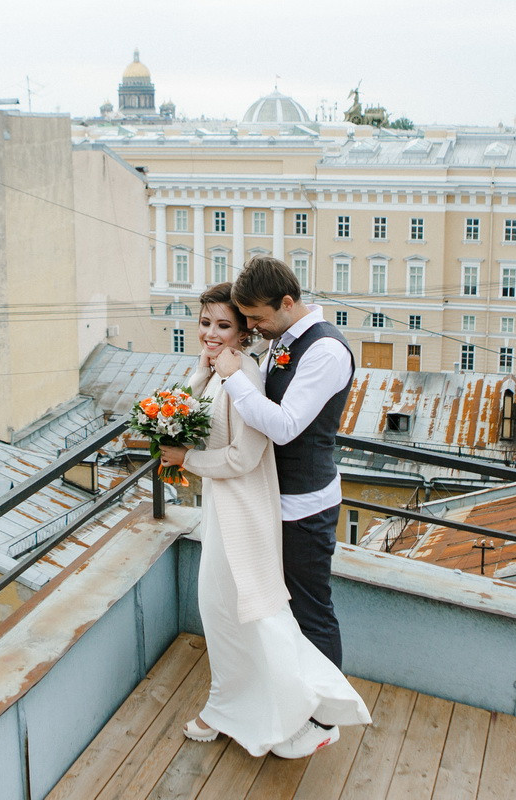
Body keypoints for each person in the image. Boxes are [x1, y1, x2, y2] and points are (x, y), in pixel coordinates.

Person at [159, 282, 369, 760]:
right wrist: (203, 367)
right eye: (205, 323)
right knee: (226, 615)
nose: (212, 333)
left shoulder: (250, 374)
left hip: (253, 512)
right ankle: (236, 708)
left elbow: (248, 454)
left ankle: (318, 715)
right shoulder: (225, 366)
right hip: (223, 507)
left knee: (269, 617)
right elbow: (191, 409)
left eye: (227, 325)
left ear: (249, 329)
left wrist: (187, 459)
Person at [211, 256, 354, 670]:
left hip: (305, 506)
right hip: (277, 497)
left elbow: (286, 426)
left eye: (256, 317)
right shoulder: (283, 339)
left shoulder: (325, 351)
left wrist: (232, 377)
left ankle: (324, 719)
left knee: (311, 610)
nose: (251, 326)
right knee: (283, 609)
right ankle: (297, 699)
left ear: (287, 302)